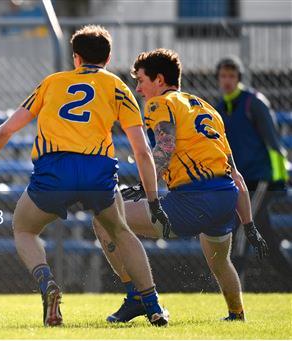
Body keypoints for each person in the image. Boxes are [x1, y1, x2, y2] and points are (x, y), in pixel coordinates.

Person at [0, 25, 170, 327]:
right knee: (121, 231)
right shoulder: (118, 87)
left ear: (76, 57)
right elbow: (141, 151)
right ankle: (152, 304)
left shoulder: (52, 83)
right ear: (108, 58)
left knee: (24, 228)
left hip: (54, 171)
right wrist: (153, 200)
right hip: (97, 171)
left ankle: (47, 281)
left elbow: (6, 129)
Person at [93, 49, 269, 323]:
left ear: (159, 80)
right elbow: (236, 175)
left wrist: (145, 189)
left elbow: (165, 147)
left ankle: (137, 296)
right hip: (225, 199)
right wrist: (249, 225)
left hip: (193, 200)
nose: (138, 88)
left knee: (104, 221)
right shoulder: (207, 107)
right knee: (221, 262)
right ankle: (237, 315)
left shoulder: (158, 104)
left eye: (141, 80)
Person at [215, 56, 291, 278]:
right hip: (240, 180)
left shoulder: (253, 102)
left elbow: (274, 143)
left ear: (238, 78)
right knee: (266, 236)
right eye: (223, 76)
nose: (227, 80)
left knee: (242, 227)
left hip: (261, 178)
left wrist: (279, 179)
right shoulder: (219, 108)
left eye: (231, 75)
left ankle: (234, 282)